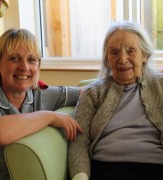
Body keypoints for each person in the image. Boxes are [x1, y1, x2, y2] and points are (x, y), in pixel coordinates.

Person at [0, 28, 83, 179]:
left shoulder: (41, 94)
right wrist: (49, 117)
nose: (24, 67)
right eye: (14, 58)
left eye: (31, 60)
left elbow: (87, 92)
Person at [68, 21, 163, 180]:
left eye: (130, 51)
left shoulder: (160, 86)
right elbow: (79, 143)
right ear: (107, 59)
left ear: (144, 55)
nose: (122, 59)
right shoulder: (93, 92)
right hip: (106, 169)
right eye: (114, 52)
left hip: (155, 168)